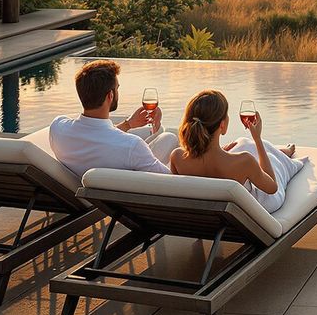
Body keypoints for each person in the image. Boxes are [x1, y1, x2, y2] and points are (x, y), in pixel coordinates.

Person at [169, 90, 303, 214]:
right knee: (270, 159)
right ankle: (283, 155)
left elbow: (183, 193)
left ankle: (280, 152)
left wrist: (221, 151)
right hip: (258, 207)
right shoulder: (244, 161)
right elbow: (272, 188)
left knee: (243, 143)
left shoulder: (177, 157)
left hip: (210, 219)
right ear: (222, 125)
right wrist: (257, 139)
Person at [48, 59, 179, 181]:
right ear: (110, 95)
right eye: (117, 88)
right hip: (129, 191)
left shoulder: (58, 127)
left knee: (167, 137)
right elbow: (171, 181)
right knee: (171, 141)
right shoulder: (132, 146)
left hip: (89, 191)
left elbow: (95, 135)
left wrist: (128, 124)